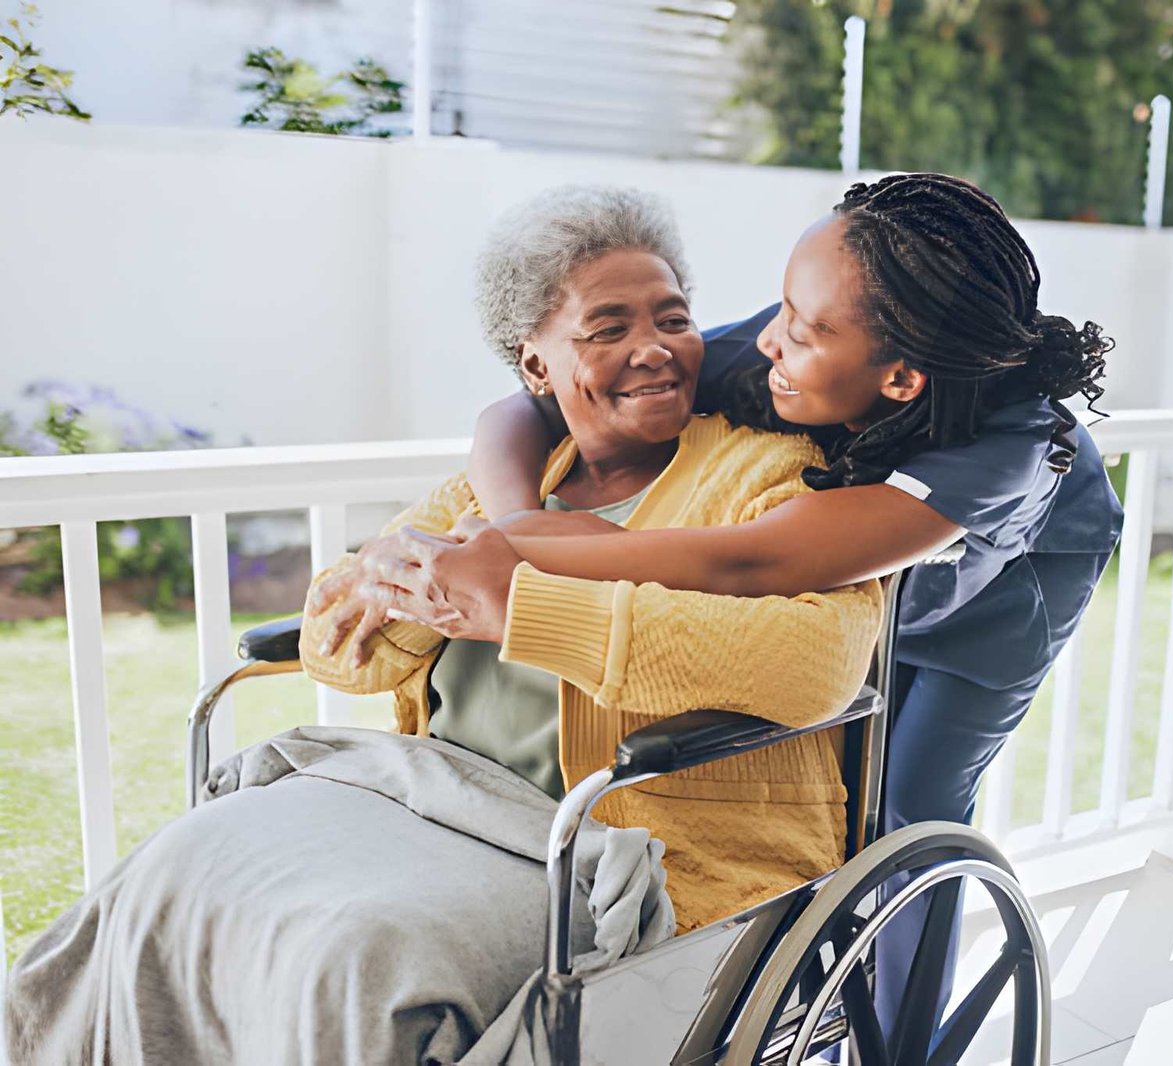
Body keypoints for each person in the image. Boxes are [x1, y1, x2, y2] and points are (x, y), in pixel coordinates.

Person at [5, 185, 884, 1064]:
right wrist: (393, 591)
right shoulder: (498, 486)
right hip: (438, 804)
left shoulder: (772, 476)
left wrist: (522, 607)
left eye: (672, 318)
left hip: (620, 845)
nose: (652, 350)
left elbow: (818, 663)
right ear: (535, 366)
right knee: (167, 875)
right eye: (606, 328)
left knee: (361, 960)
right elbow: (334, 648)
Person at [417, 173, 1122, 1052]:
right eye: (780, 309)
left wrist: (517, 557)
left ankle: (899, 1045)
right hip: (856, 569)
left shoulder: (1004, 451)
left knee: (908, 805)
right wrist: (514, 522)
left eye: (801, 326)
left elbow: (752, 558)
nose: (765, 340)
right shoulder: (793, 342)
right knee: (812, 759)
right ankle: (795, 998)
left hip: (1000, 598)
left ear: (900, 375)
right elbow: (517, 411)